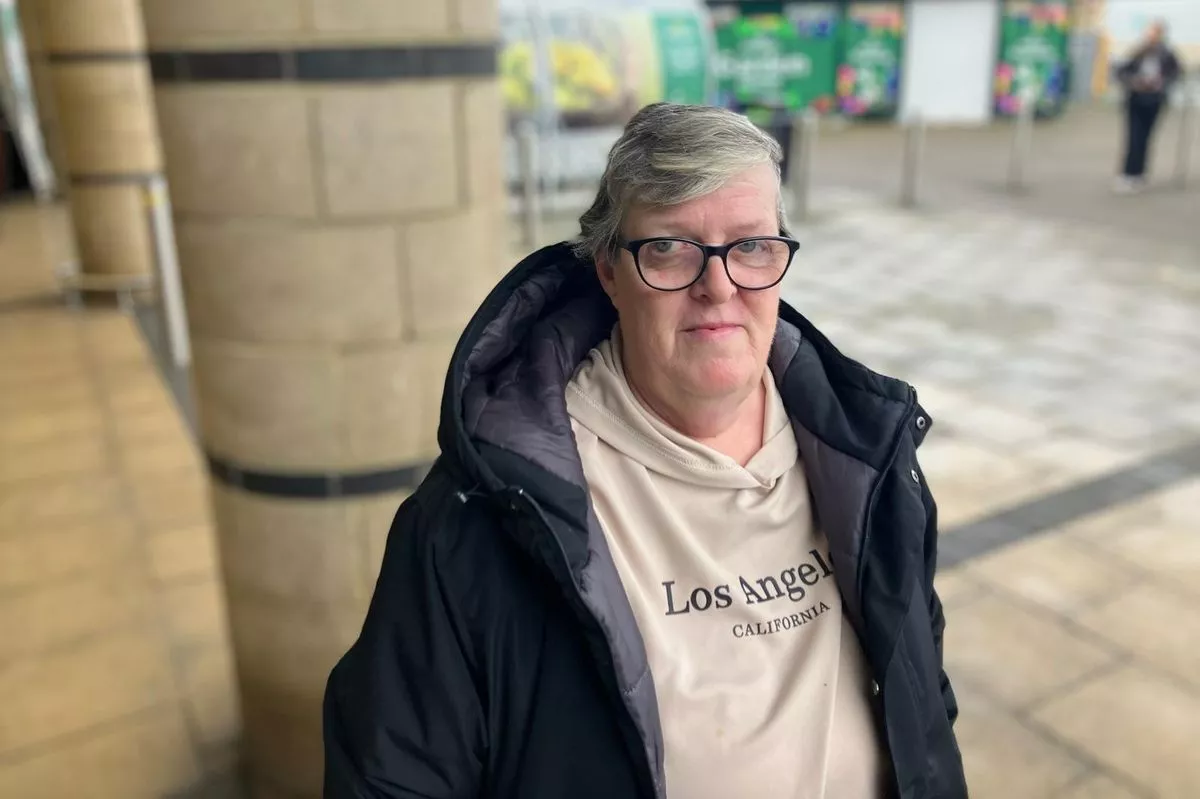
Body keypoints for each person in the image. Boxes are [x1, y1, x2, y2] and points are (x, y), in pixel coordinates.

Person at [323, 102, 967, 799]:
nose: (717, 286)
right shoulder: (475, 524)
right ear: (607, 269)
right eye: (670, 247)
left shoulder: (869, 452)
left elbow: (922, 698)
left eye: (751, 244)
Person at [1114, 20, 1183, 193]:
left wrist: (1161, 83)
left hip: (1154, 100)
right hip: (1136, 99)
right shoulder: (1139, 51)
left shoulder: (1167, 53)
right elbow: (1122, 71)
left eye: (1153, 32)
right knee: (1133, 137)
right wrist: (1133, 82)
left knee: (1146, 137)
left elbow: (1175, 73)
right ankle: (1128, 173)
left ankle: (1139, 173)